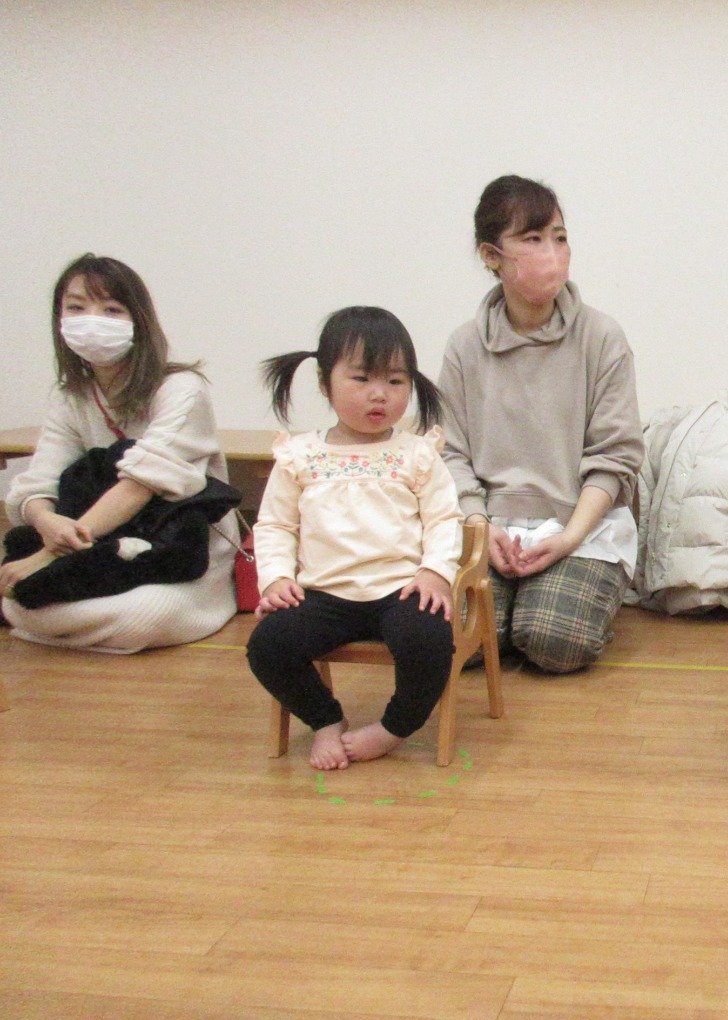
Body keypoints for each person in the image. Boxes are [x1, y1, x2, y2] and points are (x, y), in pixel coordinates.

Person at [438, 175, 643, 673]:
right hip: (489, 527)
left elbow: (616, 457)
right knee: (454, 643)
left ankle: (547, 607)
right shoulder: (464, 346)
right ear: (492, 256)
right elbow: (450, 453)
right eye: (532, 239)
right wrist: (480, 526)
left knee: (554, 642)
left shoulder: (601, 337)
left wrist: (569, 538)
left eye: (560, 237)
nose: (552, 252)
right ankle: (513, 610)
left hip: (579, 526)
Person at [245, 307, 463, 771]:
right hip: (323, 594)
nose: (379, 394)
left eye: (396, 381)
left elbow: (445, 519)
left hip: (400, 590)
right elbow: (275, 525)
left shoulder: (417, 454)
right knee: (268, 645)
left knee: (428, 640)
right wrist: (276, 578)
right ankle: (324, 719)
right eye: (361, 378)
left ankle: (394, 728)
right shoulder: (300, 456)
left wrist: (435, 572)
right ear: (325, 383)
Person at [1, 254, 237, 653]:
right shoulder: (70, 396)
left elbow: (140, 485)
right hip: (89, 545)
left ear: (138, 320)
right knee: (18, 596)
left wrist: (47, 555)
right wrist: (46, 520)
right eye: (77, 308)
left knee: (142, 615)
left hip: (172, 547)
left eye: (111, 309)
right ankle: (65, 622)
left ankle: (56, 625)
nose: (92, 321)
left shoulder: (181, 388)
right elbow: (40, 480)